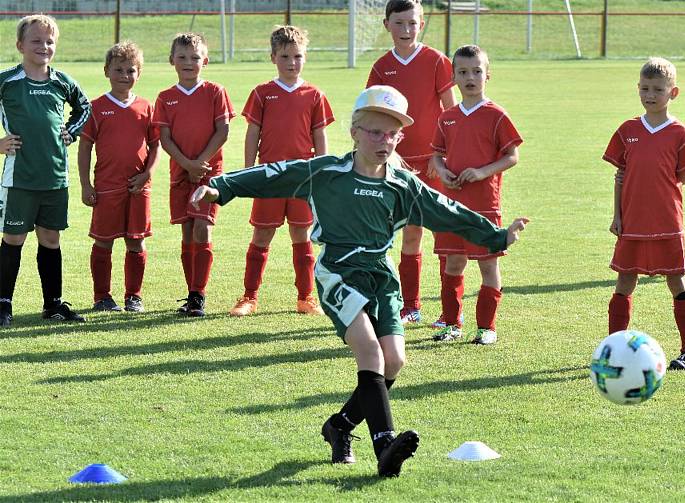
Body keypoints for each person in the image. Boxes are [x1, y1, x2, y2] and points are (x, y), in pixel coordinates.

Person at [190, 86, 528, 477]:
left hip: (380, 276)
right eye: (374, 132)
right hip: (337, 271)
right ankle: (384, 444)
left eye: (391, 134)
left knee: (395, 360)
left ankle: (340, 427)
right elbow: (274, 174)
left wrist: (497, 235)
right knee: (370, 351)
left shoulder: (404, 185)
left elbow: (449, 211)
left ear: (399, 137)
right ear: (354, 132)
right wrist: (222, 186)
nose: (383, 141)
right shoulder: (326, 173)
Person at [603, 58, 685, 371]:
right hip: (631, 222)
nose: (650, 94)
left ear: (673, 93)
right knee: (625, 281)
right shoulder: (627, 130)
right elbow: (619, 175)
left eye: (658, 89)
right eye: (645, 88)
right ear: (638, 89)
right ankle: (615, 350)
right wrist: (616, 215)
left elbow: (682, 178)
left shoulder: (680, 133)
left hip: (667, 223)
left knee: (677, 281)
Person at [229, 26, 334, 317]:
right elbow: (253, 133)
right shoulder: (263, 93)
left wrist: (322, 170)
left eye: (298, 56)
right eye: (285, 56)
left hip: (302, 178)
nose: (292, 62)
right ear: (273, 57)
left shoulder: (314, 94)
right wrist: (249, 172)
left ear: (305, 57)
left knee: (302, 237)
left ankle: (306, 298)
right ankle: (249, 297)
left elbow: (319, 135)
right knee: (261, 236)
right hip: (268, 178)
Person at [367, 0, 457, 326]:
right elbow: (375, 115)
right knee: (410, 234)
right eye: (400, 23)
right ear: (386, 24)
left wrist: (442, 155)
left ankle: (451, 312)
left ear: (422, 24)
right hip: (398, 164)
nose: (407, 30)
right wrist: (387, 155)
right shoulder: (381, 67)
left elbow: (451, 113)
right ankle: (411, 307)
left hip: (435, 163)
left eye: (413, 23)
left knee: (446, 234)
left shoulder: (436, 61)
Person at [0, 14, 91, 327]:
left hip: (55, 177)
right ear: (20, 45)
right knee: (13, 239)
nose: (43, 46)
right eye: (36, 41)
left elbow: (85, 107)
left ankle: (52, 304)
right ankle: (3, 305)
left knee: (50, 239)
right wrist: (0, 144)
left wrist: (71, 131)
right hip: (19, 178)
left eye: (49, 41)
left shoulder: (61, 81)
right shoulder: (7, 81)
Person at [430, 45, 522, 345]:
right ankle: (452, 324)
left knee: (487, 264)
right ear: (453, 77)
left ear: (487, 75)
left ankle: (486, 328)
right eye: (463, 72)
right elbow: (437, 157)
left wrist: (482, 172)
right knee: (452, 264)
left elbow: (512, 156)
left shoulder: (496, 115)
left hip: (484, 205)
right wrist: (443, 173)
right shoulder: (448, 117)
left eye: (477, 71)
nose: (470, 77)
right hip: (451, 206)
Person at [153, 33, 235, 317]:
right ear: (172, 60)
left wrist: (200, 162)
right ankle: (191, 294)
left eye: (195, 58)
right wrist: (186, 164)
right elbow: (164, 138)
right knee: (187, 231)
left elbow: (223, 131)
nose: (189, 62)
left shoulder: (215, 92)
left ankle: (199, 294)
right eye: (183, 57)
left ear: (206, 61)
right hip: (181, 174)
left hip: (208, 173)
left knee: (203, 227)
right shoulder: (165, 97)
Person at [78, 41, 159, 313]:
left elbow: (156, 145)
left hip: (138, 187)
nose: (124, 75)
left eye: (130, 70)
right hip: (106, 187)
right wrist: (86, 184)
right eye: (118, 70)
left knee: (136, 240)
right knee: (104, 239)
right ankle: (102, 297)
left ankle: (133, 296)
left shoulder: (146, 107)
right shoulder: (97, 107)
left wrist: (147, 173)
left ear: (139, 73)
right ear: (106, 71)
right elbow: (85, 147)